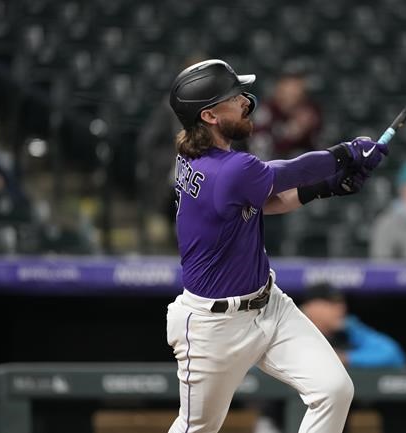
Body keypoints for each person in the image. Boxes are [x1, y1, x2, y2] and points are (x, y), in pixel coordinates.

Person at [164, 59, 388, 433]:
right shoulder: (228, 169)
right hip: (213, 327)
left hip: (270, 306)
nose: (245, 102)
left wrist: (329, 186)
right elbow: (289, 173)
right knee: (196, 427)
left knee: (334, 389)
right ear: (209, 115)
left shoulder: (199, 155)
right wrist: (346, 154)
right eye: (233, 98)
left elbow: (266, 200)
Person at [300, 283, 406, 368]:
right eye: (330, 304)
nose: (340, 308)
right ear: (310, 307)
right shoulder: (293, 329)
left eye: (340, 303)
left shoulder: (348, 330)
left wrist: (346, 358)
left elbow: (393, 354)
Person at [248, 71, 322, 160]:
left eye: (298, 93)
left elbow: (318, 148)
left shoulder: (309, 111)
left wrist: (307, 129)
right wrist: (291, 134)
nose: (294, 95)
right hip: (271, 166)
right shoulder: (266, 112)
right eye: (290, 91)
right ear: (279, 91)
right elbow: (259, 152)